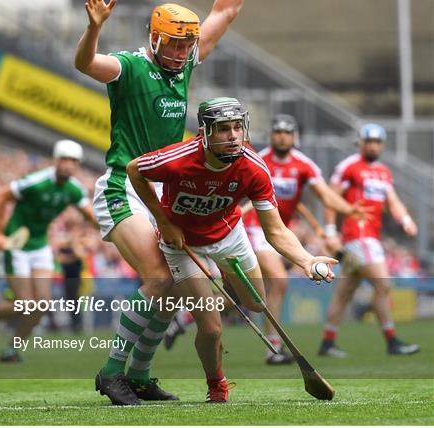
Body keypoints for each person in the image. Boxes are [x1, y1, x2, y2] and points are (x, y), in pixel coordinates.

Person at [74, 0, 270, 406]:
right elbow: (86, 65)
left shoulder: (183, 68)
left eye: (189, 43)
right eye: (176, 43)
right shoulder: (130, 65)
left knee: (175, 288)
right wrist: (93, 31)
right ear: (156, 38)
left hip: (159, 191)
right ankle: (112, 372)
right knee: (161, 278)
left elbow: (224, 12)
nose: (184, 51)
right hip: (124, 185)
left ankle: (138, 375)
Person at [127, 97, 338, 403]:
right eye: (223, 129)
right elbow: (134, 170)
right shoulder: (177, 158)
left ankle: (216, 288)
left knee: (255, 304)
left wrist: (305, 259)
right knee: (212, 329)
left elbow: (275, 230)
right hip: (184, 245)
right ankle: (217, 383)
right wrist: (162, 219)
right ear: (205, 132)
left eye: (238, 127)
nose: (233, 136)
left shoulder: (253, 167)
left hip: (229, 236)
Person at [240, 114, 368, 365]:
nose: (282, 136)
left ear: (295, 137)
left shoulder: (304, 165)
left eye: (287, 132)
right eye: (277, 131)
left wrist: (348, 209)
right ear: (271, 136)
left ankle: (184, 316)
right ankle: (274, 347)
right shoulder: (258, 160)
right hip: (252, 227)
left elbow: (326, 196)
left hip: (277, 233)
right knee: (279, 282)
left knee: (250, 289)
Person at [0, 140, 96, 361]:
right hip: (16, 245)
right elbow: (1, 196)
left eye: (74, 161)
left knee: (41, 305)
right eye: (65, 159)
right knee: (25, 304)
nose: (69, 165)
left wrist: (114, 228)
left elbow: (90, 215)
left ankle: (11, 348)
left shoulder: (74, 189)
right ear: (56, 160)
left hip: (40, 246)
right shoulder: (36, 182)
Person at [318, 123, 420, 357]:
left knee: (345, 290)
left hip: (370, 236)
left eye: (377, 142)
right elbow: (330, 198)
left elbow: (392, 200)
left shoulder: (383, 171)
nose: (373, 145)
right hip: (358, 236)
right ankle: (392, 341)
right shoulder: (349, 166)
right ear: (361, 143)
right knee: (383, 284)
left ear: (381, 145)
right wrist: (331, 230)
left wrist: (405, 219)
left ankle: (327, 342)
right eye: (369, 141)